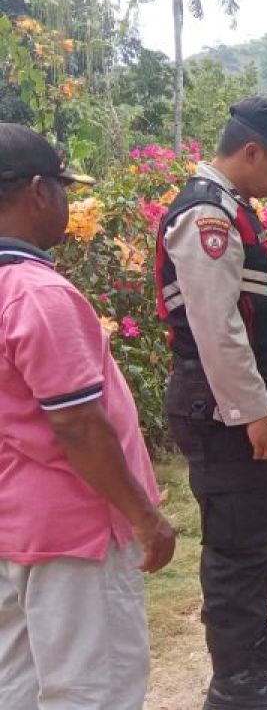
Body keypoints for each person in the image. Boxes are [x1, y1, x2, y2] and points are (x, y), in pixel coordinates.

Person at [0, 123, 176, 709]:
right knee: (93, 688)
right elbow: (77, 424)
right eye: (62, 187)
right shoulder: (35, 294)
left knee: (19, 684)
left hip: (15, 524)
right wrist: (144, 517)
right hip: (76, 527)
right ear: (38, 191)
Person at [156, 98, 267, 710]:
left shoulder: (233, 208)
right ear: (250, 151)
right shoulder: (206, 216)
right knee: (238, 538)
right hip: (221, 402)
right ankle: (233, 679)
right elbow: (215, 326)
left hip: (250, 392)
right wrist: (252, 414)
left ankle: (254, 639)